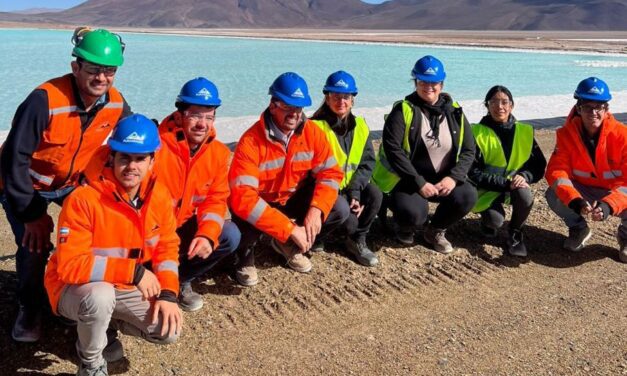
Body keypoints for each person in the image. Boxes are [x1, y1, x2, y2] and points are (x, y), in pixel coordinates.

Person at [0, 27, 130, 342]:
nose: (102, 78)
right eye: (94, 69)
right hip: (25, 185)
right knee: (35, 244)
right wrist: (32, 215)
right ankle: (30, 307)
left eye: (109, 71)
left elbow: (132, 136)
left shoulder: (115, 103)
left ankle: (77, 298)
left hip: (71, 183)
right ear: (76, 67)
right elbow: (13, 159)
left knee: (98, 233)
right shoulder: (44, 100)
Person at [44, 114, 182, 376]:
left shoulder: (160, 196)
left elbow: (167, 248)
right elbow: (71, 266)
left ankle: (104, 324)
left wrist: (168, 294)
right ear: (112, 157)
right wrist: (134, 272)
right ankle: (91, 361)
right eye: (124, 158)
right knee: (100, 297)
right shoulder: (83, 199)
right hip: (72, 287)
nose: (132, 166)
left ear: (153, 160)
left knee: (168, 331)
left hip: (123, 286)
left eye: (140, 158)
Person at [228, 72, 348, 286]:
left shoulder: (313, 133)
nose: (294, 113)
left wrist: (316, 210)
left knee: (338, 208)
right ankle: (245, 256)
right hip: (261, 202)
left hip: (291, 198)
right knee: (241, 229)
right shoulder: (250, 141)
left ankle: (285, 242)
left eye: (298, 107)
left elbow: (330, 174)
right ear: (273, 105)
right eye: (287, 106)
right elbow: (243, 198)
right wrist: (289, 228)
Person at [372, 55, 477, 254]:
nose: (428, 86)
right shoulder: (403, 111)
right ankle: (406, 226)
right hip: (407, 180)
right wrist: (418, 182)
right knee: (414, 214)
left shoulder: (455, 112)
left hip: (442, 180)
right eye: (422, 81)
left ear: (442, 83)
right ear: (415, 82)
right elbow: (393, 150)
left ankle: (435, 230)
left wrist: (454, 178)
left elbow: (469, 150)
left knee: (468, 195)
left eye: (433, 82)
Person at [156, 77, 241, 312]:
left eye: (209, 116)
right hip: (151, 234)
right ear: (180, 114)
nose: (202, 124)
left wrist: (206, 234)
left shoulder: (219, 154)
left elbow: (215, 200)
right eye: (195, 115)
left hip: (183, 228)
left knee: (229, 235)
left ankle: (181, 279)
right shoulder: (155, 147)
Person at [545, 77, 626, 262]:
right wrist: (574, 200)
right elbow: (556, 172)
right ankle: (579, 228)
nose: (594, 112)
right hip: (583, 192)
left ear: (606, 109)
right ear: (579, 108)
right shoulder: (566, 135)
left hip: (614, 192)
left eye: (599, 107)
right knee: (553, 193)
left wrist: (609, 205)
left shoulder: (622, 136)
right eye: (588, 107)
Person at [310, 71, 381, 267]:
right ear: (327, 97)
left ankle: (358, 240)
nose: (341, 101)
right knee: (348, 221)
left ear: (353, 100)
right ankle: (317, 236)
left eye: (346, 97)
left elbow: (368, 163)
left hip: (350, 188)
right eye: (335, 96)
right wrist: (342, 196)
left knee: (375, 194)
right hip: (324, 190)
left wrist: (355, 192)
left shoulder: (361, 126)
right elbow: (309, 171)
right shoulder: (314, 127)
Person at [468, 85, 547, 257]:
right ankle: (487, 222)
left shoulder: (524, 131)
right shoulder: (476, 132)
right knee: (495, 221)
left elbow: (539, 165)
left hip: (513, 188)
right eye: (494, 102)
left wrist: (525, 176)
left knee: (525, 196)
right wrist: (506, 184)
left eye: (504, 102)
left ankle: (515, 233)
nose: (499, 107)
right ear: (487, 106)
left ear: (512, 105)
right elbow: (472, 172)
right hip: (486, 189)